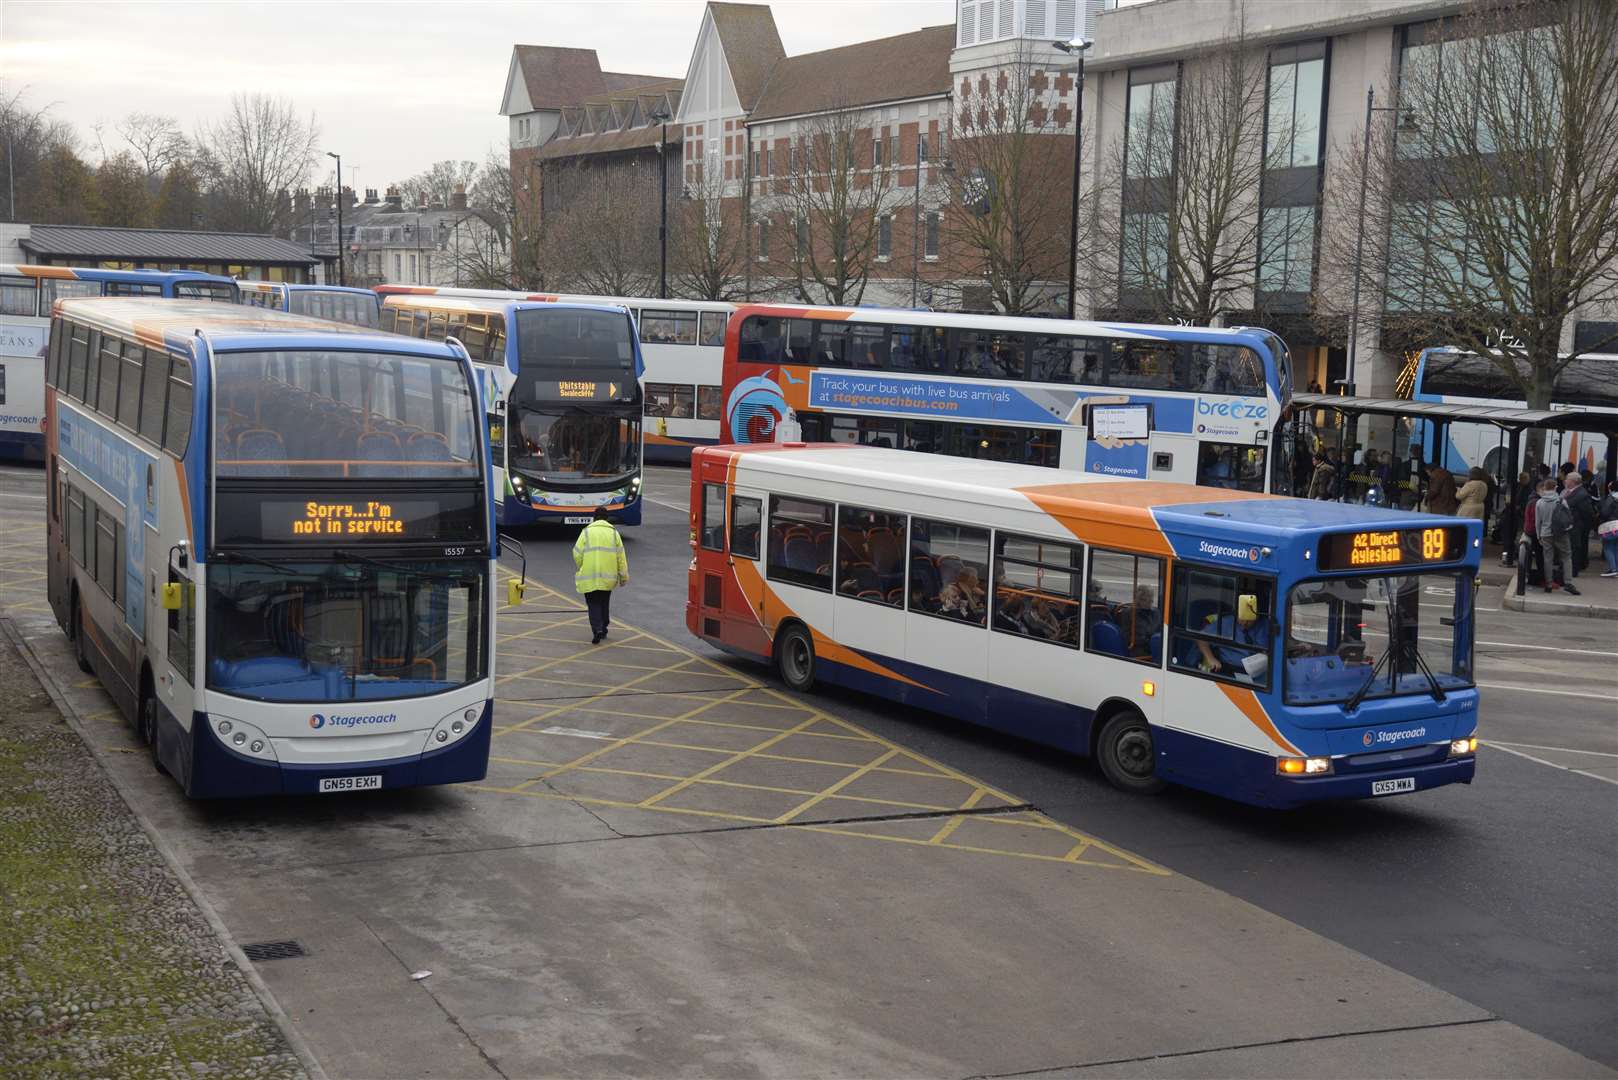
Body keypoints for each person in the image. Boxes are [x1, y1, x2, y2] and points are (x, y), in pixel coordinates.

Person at [572, 506, 629, 644]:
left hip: (589, 575)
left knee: (593, 603)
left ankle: (597, 629)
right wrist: (623, 576)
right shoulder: (614, 533)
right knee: (604, 601)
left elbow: (577, 553)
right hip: (608, 576)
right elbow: (621, 557)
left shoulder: (586, 532)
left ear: (594, 517)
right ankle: (604, 627)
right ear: (607, 518)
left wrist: (581, 566)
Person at [1196, 593, 1270, 679]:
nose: (1245, 623)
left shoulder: (1265, 624)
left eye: (1250, 621)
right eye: (1242, 619)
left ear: (1257, 616)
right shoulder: (1226, 623)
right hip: (1232, 670)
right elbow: (1201, 638)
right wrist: (1210, 658)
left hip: (1261, 671)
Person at [1535, 478, 1579, 595]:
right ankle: (1568, 582)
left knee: (1548, 559)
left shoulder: (1539, 502)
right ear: (1555, 488)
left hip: (1545, 533)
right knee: (1566, 557)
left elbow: (1537, 521)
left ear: (1544, 487)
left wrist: (1539, 535)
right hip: (1561, 533)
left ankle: (1548, 584)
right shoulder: (1561, 501)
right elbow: (1567, 517)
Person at [1562, 471, 1597, 576]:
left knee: (1575, 548)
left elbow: (1588, 512)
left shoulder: (1582, 494)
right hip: (1568, 525)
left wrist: (1581, 525)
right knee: (1569, 548)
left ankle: (1573, 570)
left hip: (1576, 526)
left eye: (1567, 479)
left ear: (1573, 482)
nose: (1565, 481)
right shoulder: (1569, 492)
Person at [1599, 478, 1618, 578]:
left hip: (1611, 526)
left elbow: (1604, 513)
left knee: (1608, 547)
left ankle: (1613, 569)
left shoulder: (1611, 498)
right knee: (1616, 547)